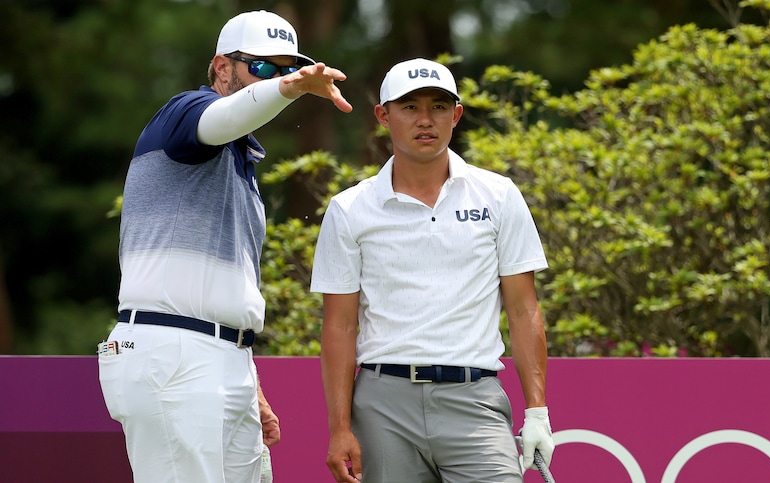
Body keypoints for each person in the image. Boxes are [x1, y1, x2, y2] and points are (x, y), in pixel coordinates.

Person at [97, 10, 352, 483]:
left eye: (285, 70)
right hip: (171, 351)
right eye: (262, 67)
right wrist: (292, 87)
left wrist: (246, 377)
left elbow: (223, 292)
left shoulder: (241, 160)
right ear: (220, 68)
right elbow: (226, 116)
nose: (277, 80)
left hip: (221, 357)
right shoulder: (183, 114)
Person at [311, 58, 554, 483]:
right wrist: (339, 429)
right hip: (383, 405)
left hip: (474, 401)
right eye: (409, 107)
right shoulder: (350, 208)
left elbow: (523, 309)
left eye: (439, 106)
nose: (426, 120)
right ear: (383, 116)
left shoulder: (498, 195)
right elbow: (340, 326)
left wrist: (537, 411)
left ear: (456, 115)